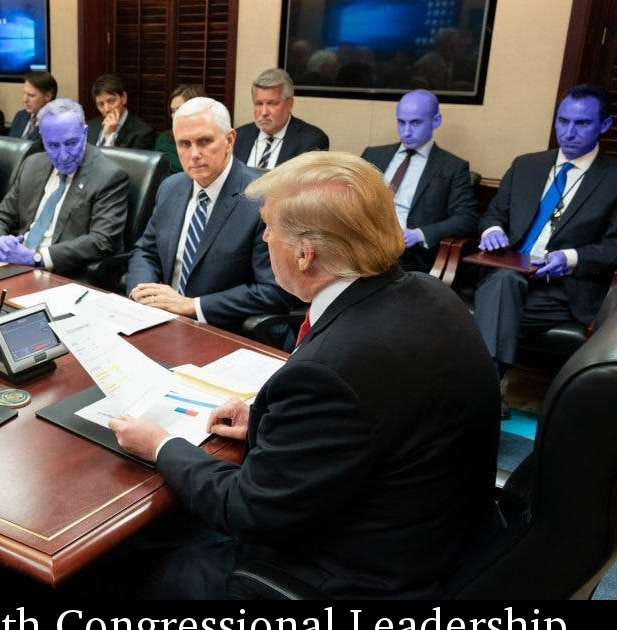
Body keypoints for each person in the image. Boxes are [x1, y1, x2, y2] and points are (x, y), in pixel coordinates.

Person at [109, 151, 499, 599]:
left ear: (304, 254)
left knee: (136, 565)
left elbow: (247, 512)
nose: (264, 237)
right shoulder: (431, 293)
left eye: (269, 227)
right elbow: (380, 417)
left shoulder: (330, 371)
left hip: (354, 577)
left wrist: (161, 445)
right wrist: (273, 424)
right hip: (440, 539)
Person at [473, 84, 617, 412]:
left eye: (582, 123)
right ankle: (487, 388)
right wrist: (492, 230)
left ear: (605, 125)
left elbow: (614, 246)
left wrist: (571, 258)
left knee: (496, 296)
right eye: (562, 121)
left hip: (563, 288)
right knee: (504, 282)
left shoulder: (612, 179)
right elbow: (494, 214)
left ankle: (479, 388)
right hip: (509, 272)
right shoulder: (526, 165)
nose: (568, 132)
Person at [126, 97, 294, 331]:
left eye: (204, 141)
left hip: (223, 330)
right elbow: (146, 251)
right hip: (162, 320)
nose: (194, 153)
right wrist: (143, 292)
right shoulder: (170, 187)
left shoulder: (262, 199)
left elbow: (275, 290)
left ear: (229, 140)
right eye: (184, 144)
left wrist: (192, 305)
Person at [0, 99, 128, 278]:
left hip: (62, 274)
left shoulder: (108, 176)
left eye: (71, 143)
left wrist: (37, 258)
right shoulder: (32, 164)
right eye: (53, 146)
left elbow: (101, 241)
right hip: (15, 264)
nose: (64, 155)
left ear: (85, 133)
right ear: (42, 139)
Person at [361, 89, 477, 272]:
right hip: (363, 240)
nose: (406, 131)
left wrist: (421, 234)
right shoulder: (374, 155)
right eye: (401, 122)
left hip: (407, 253)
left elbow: (466, 218)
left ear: (436, 121)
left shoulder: (452, 167)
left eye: (415, 123)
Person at [232, 68, 328, 170]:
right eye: (259, 104)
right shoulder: (238, 137)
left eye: (272, 104)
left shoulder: (311, 141)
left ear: (289, 104)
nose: (264, 113)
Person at [85, 74, 156, 151]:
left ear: (124, 98)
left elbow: (122, 159)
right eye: (101, 104)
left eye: (111, 101)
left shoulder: (143, 133)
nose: (106, 109)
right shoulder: (89, 126)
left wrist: (109, 137)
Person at [153, 83, 205, 174]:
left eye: (180, 109)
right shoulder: (164, 139)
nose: (176, 115)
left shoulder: (209, 140)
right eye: (173, 111)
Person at [8, 71, 57, 141]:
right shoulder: (20, 116)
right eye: (25, 93)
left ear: (48, 96)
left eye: (31, 95)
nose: (24, 100)